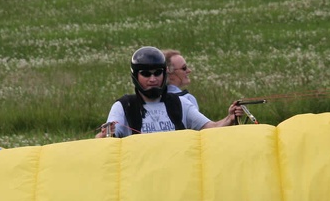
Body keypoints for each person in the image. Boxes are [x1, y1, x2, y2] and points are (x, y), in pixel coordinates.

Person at [97, 46, 243, 138]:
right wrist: (103, 135)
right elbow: (106, 142)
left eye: (157, 73)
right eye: (146, 75)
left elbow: (211, 128)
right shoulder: (124, 106)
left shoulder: (180, 103)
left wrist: (229, 118)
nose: (153, 79)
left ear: (164, 74)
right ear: (136, 76)